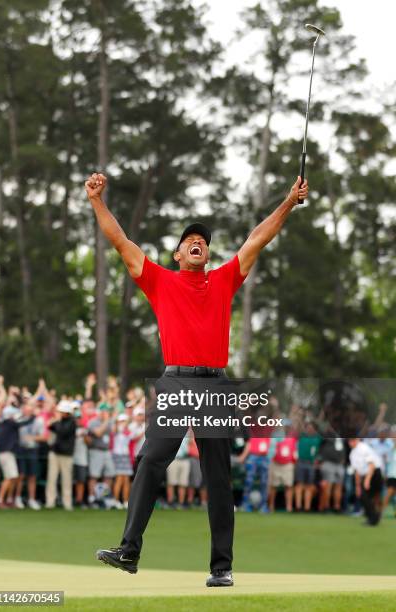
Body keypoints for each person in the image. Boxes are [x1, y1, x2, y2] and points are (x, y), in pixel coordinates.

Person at [86, 171, 308, 586]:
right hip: (174, 384)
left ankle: (221, 567)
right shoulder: (159, 280)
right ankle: (129, 551)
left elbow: (258, 238)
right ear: (177, 253)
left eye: (203, 240)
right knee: (152, 460)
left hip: (216, 386)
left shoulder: (224, 279)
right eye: (190, 239)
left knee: (219, 476)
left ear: (206, 252)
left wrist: (287, 202)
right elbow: (120, 241)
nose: (197, 241)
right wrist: (97, 200)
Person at [45, 401, 76, 511]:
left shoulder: (72, 422)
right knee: (52, 478)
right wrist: (56, 419)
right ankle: (50, 502)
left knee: (66, 480)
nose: (60, 413)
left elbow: (62, 431)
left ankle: (67, 503)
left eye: (62, 412)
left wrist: (57, 420)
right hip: (55, 453)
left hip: (66, 455)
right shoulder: (59, 421)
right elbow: (49, 426)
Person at [15, 401, 46, 510]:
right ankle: (17, 498)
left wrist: (32, 438)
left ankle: (31, 499)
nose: (27, 410)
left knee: (32, 476)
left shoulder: (38, 420)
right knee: (21, 475)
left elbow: (43, 437)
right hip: (20, 450)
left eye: (30, 408)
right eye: (26, 408)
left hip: (33, 450)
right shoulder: (18, 419)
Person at [348, 438, 383, 526]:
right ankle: (373, 516)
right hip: (365, 475)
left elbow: (371, 465)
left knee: (367, 496)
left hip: (373, 474)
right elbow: (357, 472)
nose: (350, 442)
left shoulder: (364, 448)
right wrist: (357, 486)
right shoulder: (352, 453)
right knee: (363, 496)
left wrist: (367, 480)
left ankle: (373, 518)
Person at [87, 405, 116, 508]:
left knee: (110, 474)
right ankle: (92, 497)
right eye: (104, 411)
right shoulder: (93, 422)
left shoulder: (108, 421)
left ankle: (103, 496)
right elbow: (98, 433)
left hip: (106, 451)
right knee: (94, 475)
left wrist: (110, 420)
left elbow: (113, 431)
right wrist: (107, 420)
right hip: (96, 450)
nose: (105, 413)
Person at [294, 422, 321, 512]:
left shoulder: (317, 438)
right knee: (299, 484)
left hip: (311, 463)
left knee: (309, 485)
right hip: (301, 462)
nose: (309, 429)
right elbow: (298, 426)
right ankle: (298, 506)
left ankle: (307, 507)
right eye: (308, 427)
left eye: (311, 427)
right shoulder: (302, 436)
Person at [268, 433, 297, 513]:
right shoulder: (274, 437)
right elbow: (271, 450)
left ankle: (289, 507)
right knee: (273, 486)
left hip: (288, 464)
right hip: (276, 463)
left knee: (288, 486)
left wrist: (293, 461)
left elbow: (295, 451)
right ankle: (271, 506)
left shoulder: (292, 438)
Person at [112, 414, 134, 509]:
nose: (123, 423)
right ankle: (116, 501)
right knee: (119, 479)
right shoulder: (116, 430)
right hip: (118, 456)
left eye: (124, 421)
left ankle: (125, 501)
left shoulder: (128, 431)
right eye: (122, 421)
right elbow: (115, 430)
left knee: (126, 480)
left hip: (126, 456)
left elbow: (131, 435)